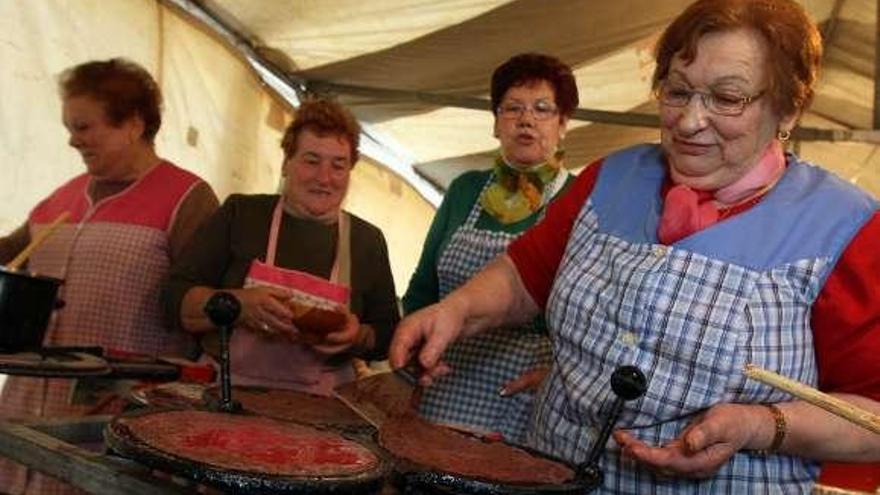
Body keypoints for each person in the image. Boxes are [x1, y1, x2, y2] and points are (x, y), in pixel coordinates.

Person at [390, 0, 880, 492]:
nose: (689, 121)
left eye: (727, 98)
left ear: (788, 107)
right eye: (678, 90)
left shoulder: (843, 225)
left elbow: (874, 422)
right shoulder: (612, 178)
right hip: (550, 476)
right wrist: (457, 309)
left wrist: (759, 426)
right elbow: (524, 276)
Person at [0, 58, 218, 494]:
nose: (72, 140)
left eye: (83, 127)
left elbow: (203, 310)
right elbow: (14, 253)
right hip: (25, 407)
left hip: (115, 410)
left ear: (133, 124)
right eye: (70, 127)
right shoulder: (63, 197)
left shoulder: (187, 199)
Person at [164, 98, 399, 396]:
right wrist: (237, 305)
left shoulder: (367, 241)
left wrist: (357, 335)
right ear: (286, 162)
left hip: (320, 405)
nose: (324, 178)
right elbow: (174, 296)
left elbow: (387, 332)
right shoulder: (241, 214)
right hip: (226, 391)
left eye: (338, 166)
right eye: (311, 161)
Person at [402, 53, 577, 443]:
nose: (526, 120)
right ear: (496, 122)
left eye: (543, 109)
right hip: (444, 383)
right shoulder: (465, 190)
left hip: (527, 396)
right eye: (512, 108)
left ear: (564, 123)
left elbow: (594, 315)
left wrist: (559, 379)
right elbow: (423, 289)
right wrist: (417, 356)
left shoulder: (579, 198)